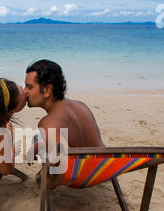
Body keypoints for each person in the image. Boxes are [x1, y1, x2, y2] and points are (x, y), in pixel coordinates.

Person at [24, 59, 104, 189]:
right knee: (42, 140)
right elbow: (72, 139)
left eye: (29, 87)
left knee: (37, 136)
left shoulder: (48, 123)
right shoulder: (81, 106)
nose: (24, 91)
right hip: (100, 170)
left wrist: (50, 182)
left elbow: (60, 170)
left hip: (79, 178)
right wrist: (37, 147)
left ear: (47, 90)